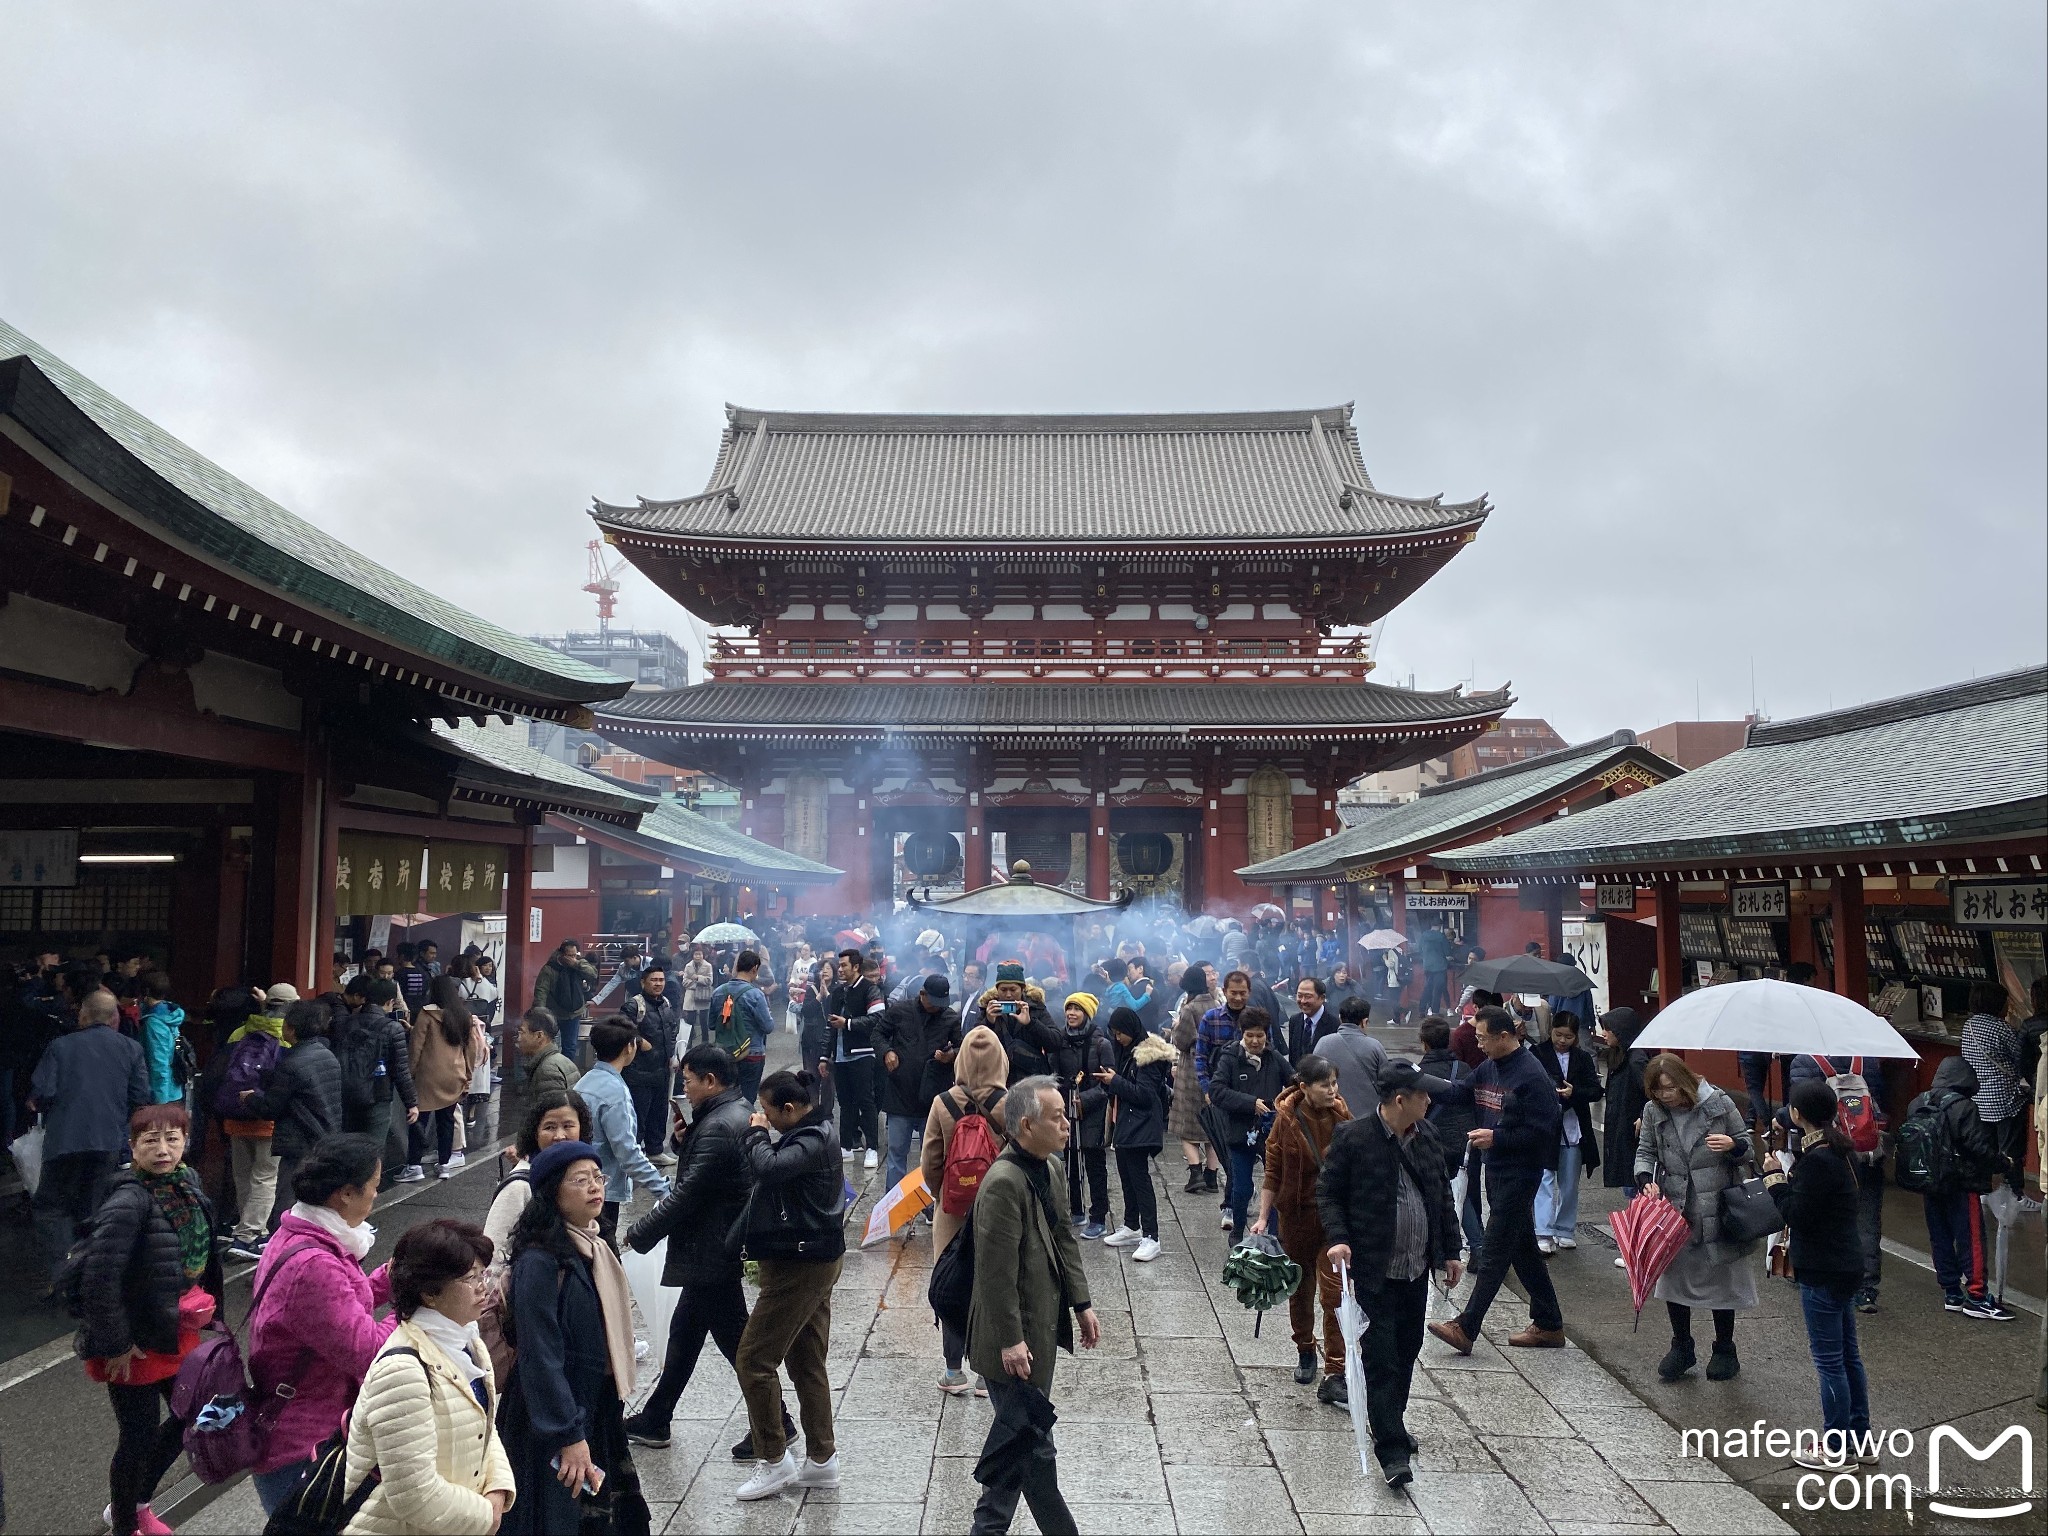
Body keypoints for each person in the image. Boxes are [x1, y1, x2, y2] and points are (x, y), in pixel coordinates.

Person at [967, 1076, 1101, 1535]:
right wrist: (1010, 1342)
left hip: (1038, 1330)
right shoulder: (1003, 1182)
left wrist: (1081, 1303)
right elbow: (995, 1274)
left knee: (1026, 1444)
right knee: (1025, 1444)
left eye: (1065, 1114)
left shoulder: (1052, 1166)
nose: (1067, 1123)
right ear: (1025, 1125)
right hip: (1011, 1340)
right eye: (1056, 1117)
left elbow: (1063, 1235)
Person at [79, 1105, 222, 1536]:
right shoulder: (128, 1200)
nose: (163, 1149)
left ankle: (137, 1502)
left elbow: (205, 1256)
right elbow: (99, 1278)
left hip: (176, 1327)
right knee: (137, 1437)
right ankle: (126, 1523)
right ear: (133, 1146)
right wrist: (117, 1344)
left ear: (185, 1142)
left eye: (172, 1138)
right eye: (150, 1140)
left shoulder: (188, 1184)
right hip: (135, 1338)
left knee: (193, 1413)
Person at [1319, 1061, 1463, 1488]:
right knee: (1380, 1359)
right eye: (1422, 1094)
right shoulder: (1353, 1137)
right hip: (1373, 1271)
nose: (1429, 1100)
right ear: (1400, 1099)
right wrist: (1339, 1238)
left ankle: (1388, 1422)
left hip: (1416, 1270)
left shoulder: (1428, 1136)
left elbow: (1441, 1198)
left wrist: (1450, 1252)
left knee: (1406, 1350)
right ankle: (1393, 1452)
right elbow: (1328, 1194)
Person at [247, 1134, 395, 1513]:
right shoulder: (314, 1264)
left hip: (304, 1430)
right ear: (346, 1193)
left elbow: (344, 1304)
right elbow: (368, 1353)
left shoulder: (302, 1232)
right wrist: (415, 1304)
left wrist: (395, 1275)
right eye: (374, 1187)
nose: (376, 1196)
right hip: (303, 1444)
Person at [499, 1141, 640, 1536]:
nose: (595, 1187)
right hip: (551, 1420)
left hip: (595, 1408)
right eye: (580, 1180)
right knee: (554, 1519)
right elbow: (539, 1355)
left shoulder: (593, 1245)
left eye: (598, 1177)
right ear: (552, 1192)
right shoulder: (539, 1261)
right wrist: (568, 1433)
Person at [623, 1045, 756, 1448]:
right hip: (715, 1246)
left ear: (710, 1081)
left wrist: (638, 1234)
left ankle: (776, 1422)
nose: (685, 1089)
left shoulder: (718, 1125)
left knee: (738, 1344)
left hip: (710, 1247)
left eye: (688, 1081)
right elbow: (711, 1172)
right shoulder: (732, 1111)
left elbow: (689, 1195)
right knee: (686, 1332)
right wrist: (685, 1141)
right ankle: (657, 1417)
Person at [345, 1219, 514, 1534]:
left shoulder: (466, 1339)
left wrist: (498, 1487)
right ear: (429, 1294)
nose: (483, 1286)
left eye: (482, 1274)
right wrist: (485, 1516)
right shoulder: (403, 1371)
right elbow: (413, 1494)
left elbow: (483, 1428)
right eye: (469, 1278)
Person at [733, 1070, 847, 1500]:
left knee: (754, 1360)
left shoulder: (812, 1139)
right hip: (812, 1255)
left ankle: (774, 1458)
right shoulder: (813, 1128)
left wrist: (756, 1137)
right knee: (805, 1361)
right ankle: (822, 1459)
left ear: (789, 1109)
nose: (762, 1118)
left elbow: (770, 1168)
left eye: (767, 1112)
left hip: (803, 1262)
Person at [1426, 1006, 1565, 1355]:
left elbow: (1545, 1131)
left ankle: (1466, 1326)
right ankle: (1549, 1324)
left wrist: (1498, 1138)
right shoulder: (1489, 1067)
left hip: (1522, 1172)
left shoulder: (1531, 1076)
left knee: (1495, 1248)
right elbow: (1461, 1092)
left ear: (1506, 1037)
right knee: (1522, 1249)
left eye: (1483, 1038)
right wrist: (1418, 1080)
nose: (1479, 1045)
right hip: (1495, 1169)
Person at [1765, 1082, 1875, 1470]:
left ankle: (1834, 1446)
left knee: (1830, 1361)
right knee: (1848, 1356)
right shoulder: (1842, 1151)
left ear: (1797, 1114)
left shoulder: (1818, 1160)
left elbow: (1797, 1213)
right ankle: (1859, 1439)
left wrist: (1776, 1178)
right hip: (1845, 1263)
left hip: (1823, 1268)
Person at [1633, 1053, 1756, 1380]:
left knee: (1722, 1279)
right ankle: (1682, 1346)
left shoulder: (1719, 1104)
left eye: (1670, 1088)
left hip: (1716, 1207)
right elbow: (1645, 1152)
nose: (1666, 1095)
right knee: (1674, 1277)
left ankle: (1725, 1349)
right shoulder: (1653, 1111)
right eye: (1658, 1090)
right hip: (1675, 1209)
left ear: (1684, 1081)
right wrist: (1646, 1180)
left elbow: (1747, 1147)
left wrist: (1732, 1145)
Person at [28, 989, 149, 1285]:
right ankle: (92, 1274)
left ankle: (62, 1275)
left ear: (83, 1015)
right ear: (115, 1018)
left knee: (52, 1207)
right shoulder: (131, 1049)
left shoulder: (60, 1046)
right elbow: (141, 1096)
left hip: (63, 1141)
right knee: (94, 1208)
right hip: (108, 1141)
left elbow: (43, 1094)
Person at [1251, 1053, 1350, 1403]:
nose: (1333, 1091)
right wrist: (1263, 1217)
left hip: (1333, 1217)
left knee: (1335, 1294)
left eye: (1335, 1084)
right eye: (1326, 1085)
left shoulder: (1342, 1115)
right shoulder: (1285, 1119)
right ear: (1304, 1087)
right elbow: (1273, 1171)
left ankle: (1335, 1369)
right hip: (1295, 1217)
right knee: (1300, 1287)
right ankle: (1306, 1349)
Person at [923, 1025, 1012, 1391]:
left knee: (952, 1284)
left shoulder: (942, 1103)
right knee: (992, 1284)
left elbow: (930, 1160)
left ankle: (952, 1370)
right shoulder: (1011, 1104)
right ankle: (985, 1371)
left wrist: (944, 1194)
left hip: (953, 1210)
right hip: (999, 1209)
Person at [1903, 1055, 2012, 1319]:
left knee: (1939, 1236)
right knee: (1971, 1238)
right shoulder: (1965, 1107)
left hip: (1929, 1182)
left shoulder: (1918, 1102)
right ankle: (1977, 1296)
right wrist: (2003, 1163)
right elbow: (1978, 1149)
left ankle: (1951, 1291)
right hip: (1962, 1184)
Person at [1783, 1051, 1888, 1312]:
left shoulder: (1806, 1061)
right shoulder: (1866, 1060)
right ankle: (1865, 1287)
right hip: (1866, 1150)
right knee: (1867, 1217)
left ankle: (1823, 1276)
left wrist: (1780, 1117)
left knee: (1822, 1216)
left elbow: (1803, 1109)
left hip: (1823, 1149)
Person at [238, 1001, 342, 1234]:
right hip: (325, 1136)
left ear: (291, 1029)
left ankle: (283, 1242)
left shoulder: (292, 1063)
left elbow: (270, 1108)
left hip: (298, 1141)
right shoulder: (327, 1055)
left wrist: (249, 1098)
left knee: (286, 1200)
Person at [576, 1019, 672, 1247]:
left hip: (580, 1184)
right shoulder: (615, 1093)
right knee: (603, 1256)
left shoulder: (584, 1083)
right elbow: (627, 1152)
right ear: (630, 1047)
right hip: (602, 1190)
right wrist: (662, 1189)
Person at [1207, 1009, 1291, 1244]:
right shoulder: (1230, 1057)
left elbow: (1294, 1082)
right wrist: (1249, 1103)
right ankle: (1238, 1232)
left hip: (1271, 1134)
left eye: (1260, 1036)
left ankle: (1274, 1235)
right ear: (1242, 1034)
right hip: (1240, 1131)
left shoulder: (1274, 1058)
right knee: (1241, 1187)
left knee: (1274, 1184)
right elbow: (1217, 1091)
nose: (1255, 1041)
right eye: (1250, 1036)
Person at [1098, 1007, 1171, 1263]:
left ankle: (1152, 1236)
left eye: (1121, 1034)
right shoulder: (1126, 1051)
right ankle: (1131, 1226)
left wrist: (1114, 1081)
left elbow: (1145, 1095)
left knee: (1140, 1181)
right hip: (1125, 1124)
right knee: (1126, 1178)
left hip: (1141, 1126)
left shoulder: (1147, 1056)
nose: (1118, 1038)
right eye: (1114, 1034)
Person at [485, 1090, 594, 1260]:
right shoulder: (519, 1186)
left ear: (581, 1128)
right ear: (535, 1133)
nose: (559, 1136)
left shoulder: (588, 1177)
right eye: (549, 1127)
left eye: (568, 1126)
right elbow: (492, 1250)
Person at [877, 974, 962, 1191]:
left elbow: (962, 1048)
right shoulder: (899, 1010)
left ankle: (929, 1203)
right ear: (922, 994)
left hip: (933, 1095)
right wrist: (887, 1052)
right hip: (900, 1092)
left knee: (931, 1154)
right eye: (934, 1002)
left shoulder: (950, 1018)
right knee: (896, 1151)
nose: (937, 1008)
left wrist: (950, 1056)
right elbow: (878, 1034)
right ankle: (893, 1201)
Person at [401, 976, 484, 1183]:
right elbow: (471, 1048)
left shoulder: (426, 1013)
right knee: (446, 1121)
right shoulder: (463, 1015)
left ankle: (414, 1165)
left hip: (428, 1076)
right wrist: (468, 1075)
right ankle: (445, 1164)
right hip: (455, 1074)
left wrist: (410, 1073)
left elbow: (416, 1046)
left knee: (419, 1120)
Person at [1533, 1015, 1604, 1253]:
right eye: (1558, 1035)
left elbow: (1595, 1091)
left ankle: (1565, 1228)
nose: (1562, 1040)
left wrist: (1574, 1093)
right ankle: (1543, 1231)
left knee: (1569, 1182)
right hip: (1545, 1127)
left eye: (1569, 1036)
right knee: (1543, 1179)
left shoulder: (1582, 1058)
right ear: (1551, 1031)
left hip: (1573, 1128)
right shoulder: (1537, 1053)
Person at [335, 975, 419, 1167]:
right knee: (374, 1150)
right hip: (378, 1095)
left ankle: (348, 1186)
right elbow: (400, 1070)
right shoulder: (392, 1028)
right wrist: (411, 1102)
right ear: (390, 1002)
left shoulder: (345, 1023)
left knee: (349, 1146)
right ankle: (368, 1190)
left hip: (347, 1094)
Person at [1052, 991, 1113, 1237]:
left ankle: (1098, 1216)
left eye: (1077, 1009)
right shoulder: (1060, 1040)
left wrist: (1084, 1100)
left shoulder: (1102, 1044)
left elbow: (1109, 1082)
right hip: (1066, 1109)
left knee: (1095, 1164)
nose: (1071, 1014)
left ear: (1086, 1013)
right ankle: (1075, 1209)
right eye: (1069, 1008)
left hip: (1093, 1110)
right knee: (1070, 1162)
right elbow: (1054, 1074)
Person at [1960, 980, 2029, 1174]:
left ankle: (1986, 1191)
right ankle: (2012, 1192)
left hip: (1979, 1098)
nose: (2009, 1006)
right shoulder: (2002, 1029)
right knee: (2010, 1150)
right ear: (1996, 1004)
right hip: (2006, 1100)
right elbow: (2021, 1058)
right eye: (2006, 1002)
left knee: (1985, 1148)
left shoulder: (1969, 1026)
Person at [828, 947, 886, 1165]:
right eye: (839, 965)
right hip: (841, 1055)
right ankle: (846, 1146)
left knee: (866, 1100)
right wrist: (826, 1056)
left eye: (844, 965)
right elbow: (830, 1027)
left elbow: (879, 1018)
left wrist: (849, 1024)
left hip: (862, 1053)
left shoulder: (870, 990)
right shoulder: (838, 992)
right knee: (845, 1102)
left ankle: (872, 1146)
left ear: (856, 967)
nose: (840, 969)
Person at [617, 962, 681, 1160]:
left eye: (661, 980)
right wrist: (639, 1040)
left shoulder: (666, 1004)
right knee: (638, 1115)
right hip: (639, 1072)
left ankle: (655, 1151)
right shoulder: (634, 1006)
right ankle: (634, 1156)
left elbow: (672, 1030)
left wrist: (672, 1055)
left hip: (661, 1070)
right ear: (643, 982)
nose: (658, 984)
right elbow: (621, 1029)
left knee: (659, 1113)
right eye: (653, 980)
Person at [1169, 964, 1220, 1193]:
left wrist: (1175, 1026)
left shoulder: (1189, 1009)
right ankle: (1212, 1176)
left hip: (1191, 1070)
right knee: (1211, 1127)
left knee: (1187, 1126)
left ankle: (1195, 1172)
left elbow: (1181, 1041)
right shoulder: (1216, 1004)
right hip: (1214, 1069)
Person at [977, 961, 1061, 1085]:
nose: (1008, 995)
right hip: (997, 1080)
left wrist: (1031, 1023)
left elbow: (1056, 1042)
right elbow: (973, 1044)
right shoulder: (988, 1008)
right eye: (1003, 990)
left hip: (1031, 1080)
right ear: (997, 989)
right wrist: (988, 1022)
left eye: (1013, 989)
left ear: (1022, 989)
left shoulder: (1035, 1007)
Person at [711, 950, 776, 1105]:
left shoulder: (718, 992)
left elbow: (712, 1024)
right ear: (754, 969)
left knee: (725, 1097)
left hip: (724, 1054)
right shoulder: (756, 995)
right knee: (746, 1099)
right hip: (751, 1053)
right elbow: (768, 1027)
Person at [1317, 996, 1387, 1121]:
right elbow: (1386, 1082)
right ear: (1364, 1021)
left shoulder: (1323, 1042)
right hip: (1367, 1120)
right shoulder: (1374, 1046)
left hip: (1331, 1115)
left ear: (1340, 1018)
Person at [532, 940, 598, 1066]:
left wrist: (577, 964)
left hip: (574, 1012)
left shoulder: (579, 964)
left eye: (575, 955)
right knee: (550, 1044)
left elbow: (593, 974)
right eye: (570, 955)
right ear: (561, 954)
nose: (572, 958)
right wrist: (539, 1014)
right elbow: (541, 991)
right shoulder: (549, 969)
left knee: (570, 1046)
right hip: (554, 1012)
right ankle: (550, 1068)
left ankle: (566, 1070)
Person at [135, 974, 186, 1108]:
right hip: (175, 1087)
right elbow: (177, 1044)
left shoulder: (154, 1023)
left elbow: (159, 1062)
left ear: (146, 992)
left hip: (161, 1093)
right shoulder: (171, 1012)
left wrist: (159, 1104)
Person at [516, 1008, 582, 1098]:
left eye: (522, 1032)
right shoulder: (561, 1060)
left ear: (539, 1036)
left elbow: (553, 1110)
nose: (519, 1038)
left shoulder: (548, 1071)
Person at [1283, 977, 1329, 1065]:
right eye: (1299, 996)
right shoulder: (1294, 1020)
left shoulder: (1334, 1024)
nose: (1303, 1001)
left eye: (1308, 997)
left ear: (1322, 998)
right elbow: (1293, 1056)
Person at [679, 944, 715, 1047]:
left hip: (703, 996)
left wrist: (698, 978)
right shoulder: (688, 966)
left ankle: (705, 1043)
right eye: (696, 954)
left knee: (704, 1022)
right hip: (691, 996)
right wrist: (696, 983)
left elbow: (709, 981)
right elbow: (684, 982)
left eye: (699, 954)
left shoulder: (708, 966)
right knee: (690, 1021)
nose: (697, 956)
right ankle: (689, 1042)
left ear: (703, 955)